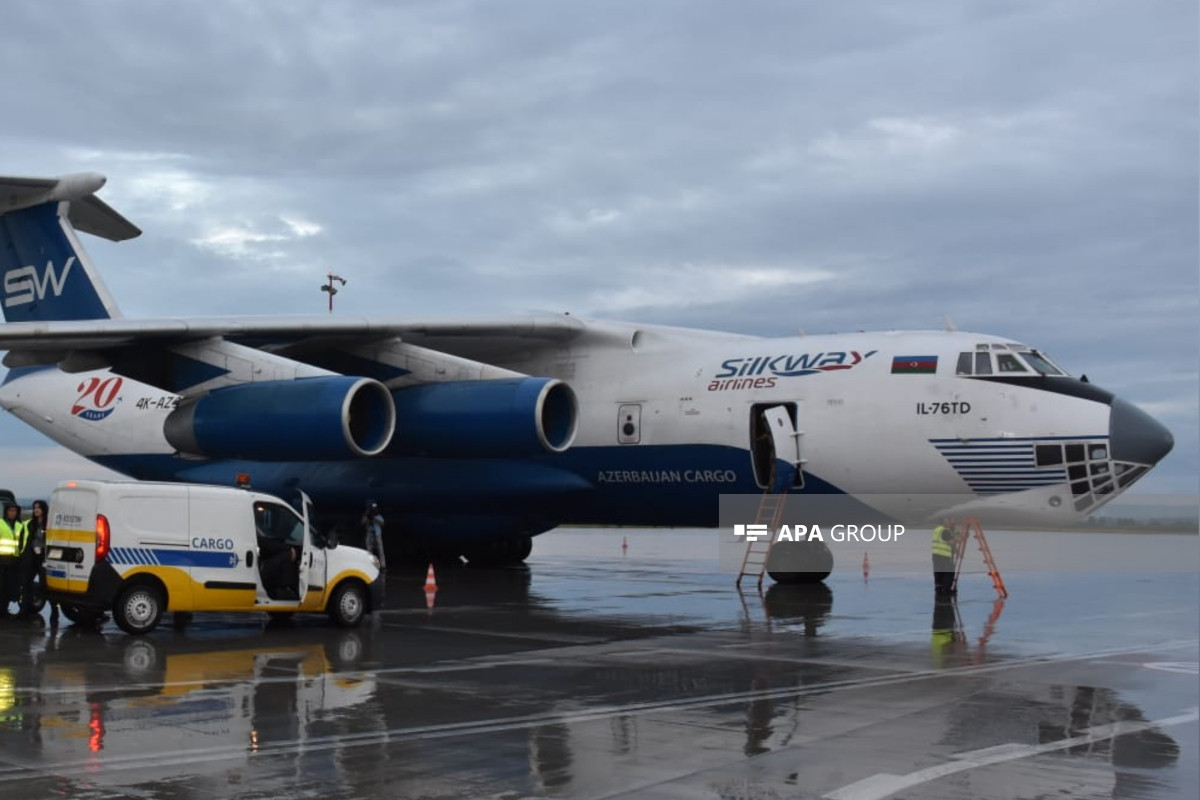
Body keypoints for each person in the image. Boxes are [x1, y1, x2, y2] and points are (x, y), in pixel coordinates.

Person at [21, 500, 56, 623]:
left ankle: (54, 610)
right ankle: (24, 610)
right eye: (34, 507)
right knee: (26, 582)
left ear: (44, 509)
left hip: (44, 557)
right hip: (32, 556)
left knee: (45, 584)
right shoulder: (31, 524)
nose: (36, 510)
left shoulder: (49, 524)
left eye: (39, 508)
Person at [0, 502, 28, 618]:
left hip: (14, 561)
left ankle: (4, 610)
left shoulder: (19, 525)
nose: (12, 513)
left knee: (10, 587)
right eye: (10, 511)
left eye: (14, 511)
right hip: (2, 560)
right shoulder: (1, 523)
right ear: (6, 512)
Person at [931, 518, 960, 596]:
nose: (949, 524)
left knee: (938, 573)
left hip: (936, 555)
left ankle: (938, 588)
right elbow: (950, 542)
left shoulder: (936, 530)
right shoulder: (945, 531)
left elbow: (942, 541)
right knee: (949, 573)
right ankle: (946, 590)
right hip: (945, 556)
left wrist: (955, 550)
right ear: (944, 522)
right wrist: (958, 538)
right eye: (948, 522)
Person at [361, 500, 386, 570]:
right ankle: (370, 564)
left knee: (380, 551)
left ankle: (383, 566)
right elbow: (362, 523)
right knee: (369, 551)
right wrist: (366, 514)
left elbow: (383, 524)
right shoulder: (367, 517)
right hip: (369, 534)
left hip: (377, 535)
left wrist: (373, 519)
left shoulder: (379, 516)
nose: (373, 511)